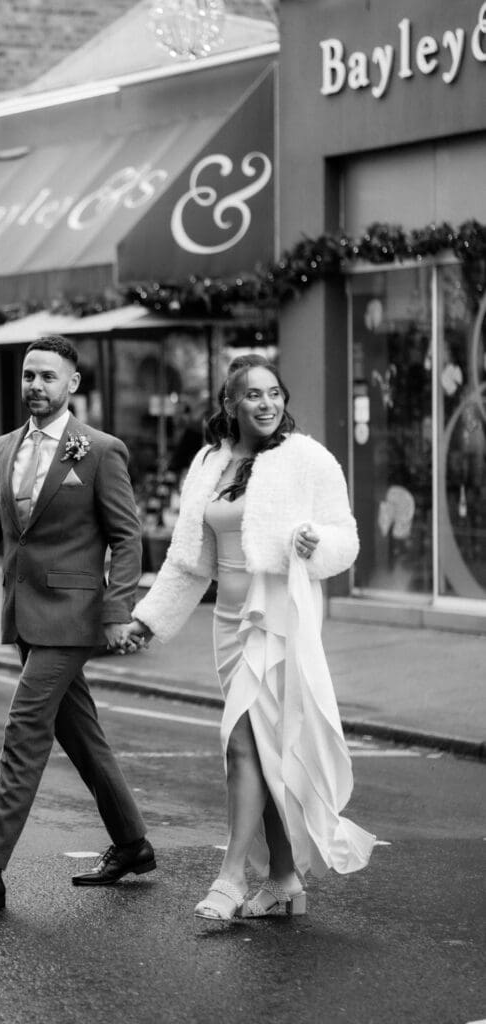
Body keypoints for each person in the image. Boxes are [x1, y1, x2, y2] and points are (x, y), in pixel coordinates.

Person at [125, 354, 375, 921]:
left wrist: (314, 542)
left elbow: (346, 539)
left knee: (240, 743)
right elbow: (188, 563)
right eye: (254, 396)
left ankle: (232, 877)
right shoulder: (210, 462)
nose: (267, 404)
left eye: (275, 394)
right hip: (228, 624)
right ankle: (285, 880)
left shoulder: (306, 458)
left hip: (277, 619)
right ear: (230, 404)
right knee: (266, 752)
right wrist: (149, 621)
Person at [0, 336, 154, 911]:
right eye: (28, 376)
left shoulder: (99, 450)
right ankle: (133, 845)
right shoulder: (2, 449)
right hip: (23, 616)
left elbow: (127, 538)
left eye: (48, 377)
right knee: (80, 734)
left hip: (74, 618)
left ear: (73, 384)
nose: (35, 387)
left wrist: (118, 609)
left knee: (24, 731)